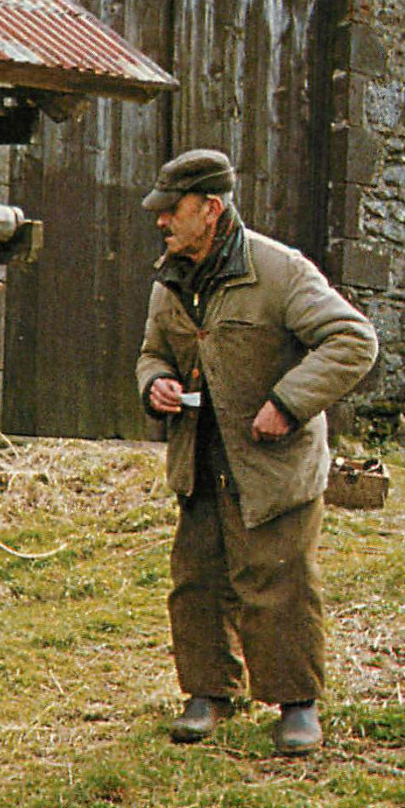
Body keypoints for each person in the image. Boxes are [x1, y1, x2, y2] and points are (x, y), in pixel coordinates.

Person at [135, 149, 378, 756]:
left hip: (273, 464)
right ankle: (208, 692)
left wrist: (289, 403)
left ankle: (297, 704)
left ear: (210, 209)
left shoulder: (280, 271)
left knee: (278, 581)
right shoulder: (171, 277)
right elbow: (152, 352)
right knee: (196, 580)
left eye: (173, 210)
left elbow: (353, 340)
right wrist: (155, 381)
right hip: (202, 457)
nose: (162, 222)